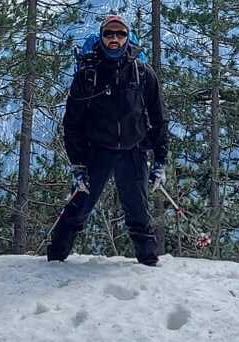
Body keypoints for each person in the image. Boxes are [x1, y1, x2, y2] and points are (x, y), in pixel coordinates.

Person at [47, 14, 169, 266]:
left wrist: (160, 161)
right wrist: (78, 164)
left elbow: (159, 119)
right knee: (78, 207)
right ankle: (55, 259)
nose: (114, 38)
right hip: (96, 151)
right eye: (109, 33)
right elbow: (72, 124)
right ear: (101, 37)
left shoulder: (143, 73)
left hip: (133, 150)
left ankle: (149, 265)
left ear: (128, 37)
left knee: (139, 212)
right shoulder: (87, 75)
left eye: (120, 33)